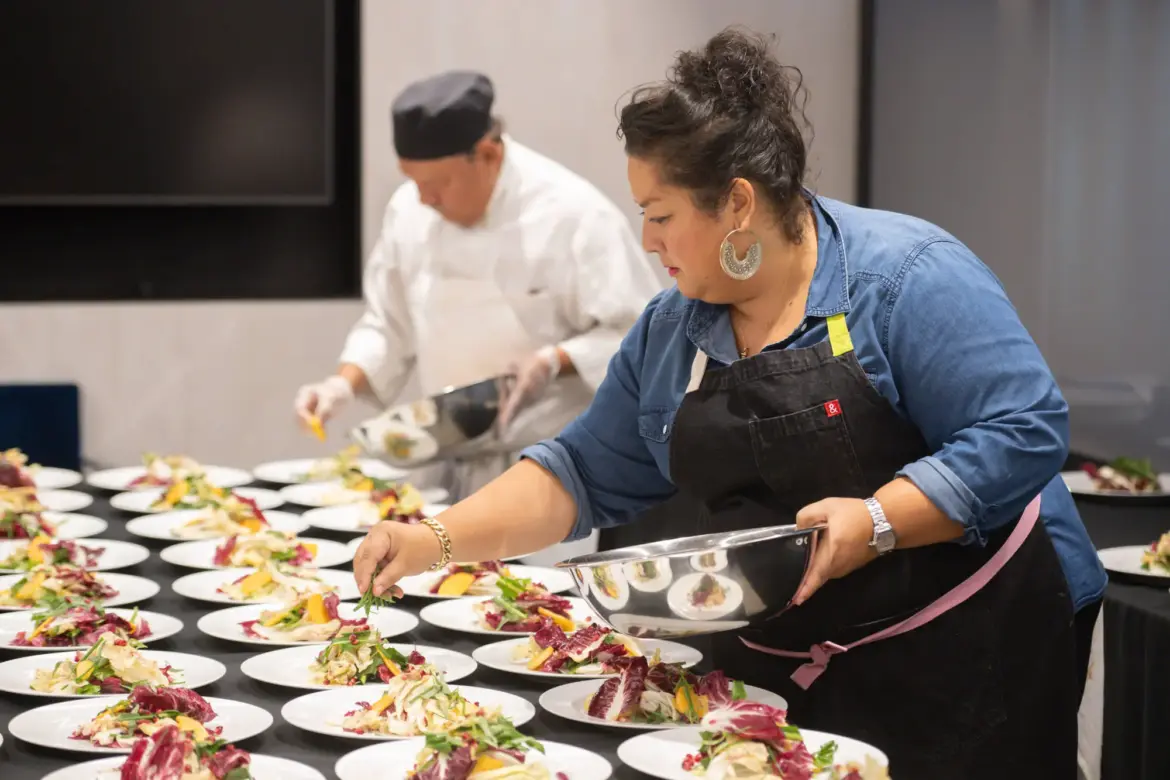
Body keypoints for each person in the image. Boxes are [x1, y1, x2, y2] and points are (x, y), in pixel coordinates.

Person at [354, 30, 1107, 779]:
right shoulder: (676, 324)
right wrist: (432, 540)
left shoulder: (907, 278)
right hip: (794, 657)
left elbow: (1024, 428)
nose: (647, 240)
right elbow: (579, 471)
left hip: (970, 649)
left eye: (660, 213)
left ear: (737, 203)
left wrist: (878, 520)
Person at [294, 71, 663, 548]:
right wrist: (341, 384)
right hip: (446, 464)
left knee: (533, 613)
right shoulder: (410, 210)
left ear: (488, 154)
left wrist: (555, 361)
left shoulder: (573, 214)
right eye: (413, 182)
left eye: (438, 183)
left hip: (548, 474)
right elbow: (388, 324)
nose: (424, 198)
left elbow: (639, 334)